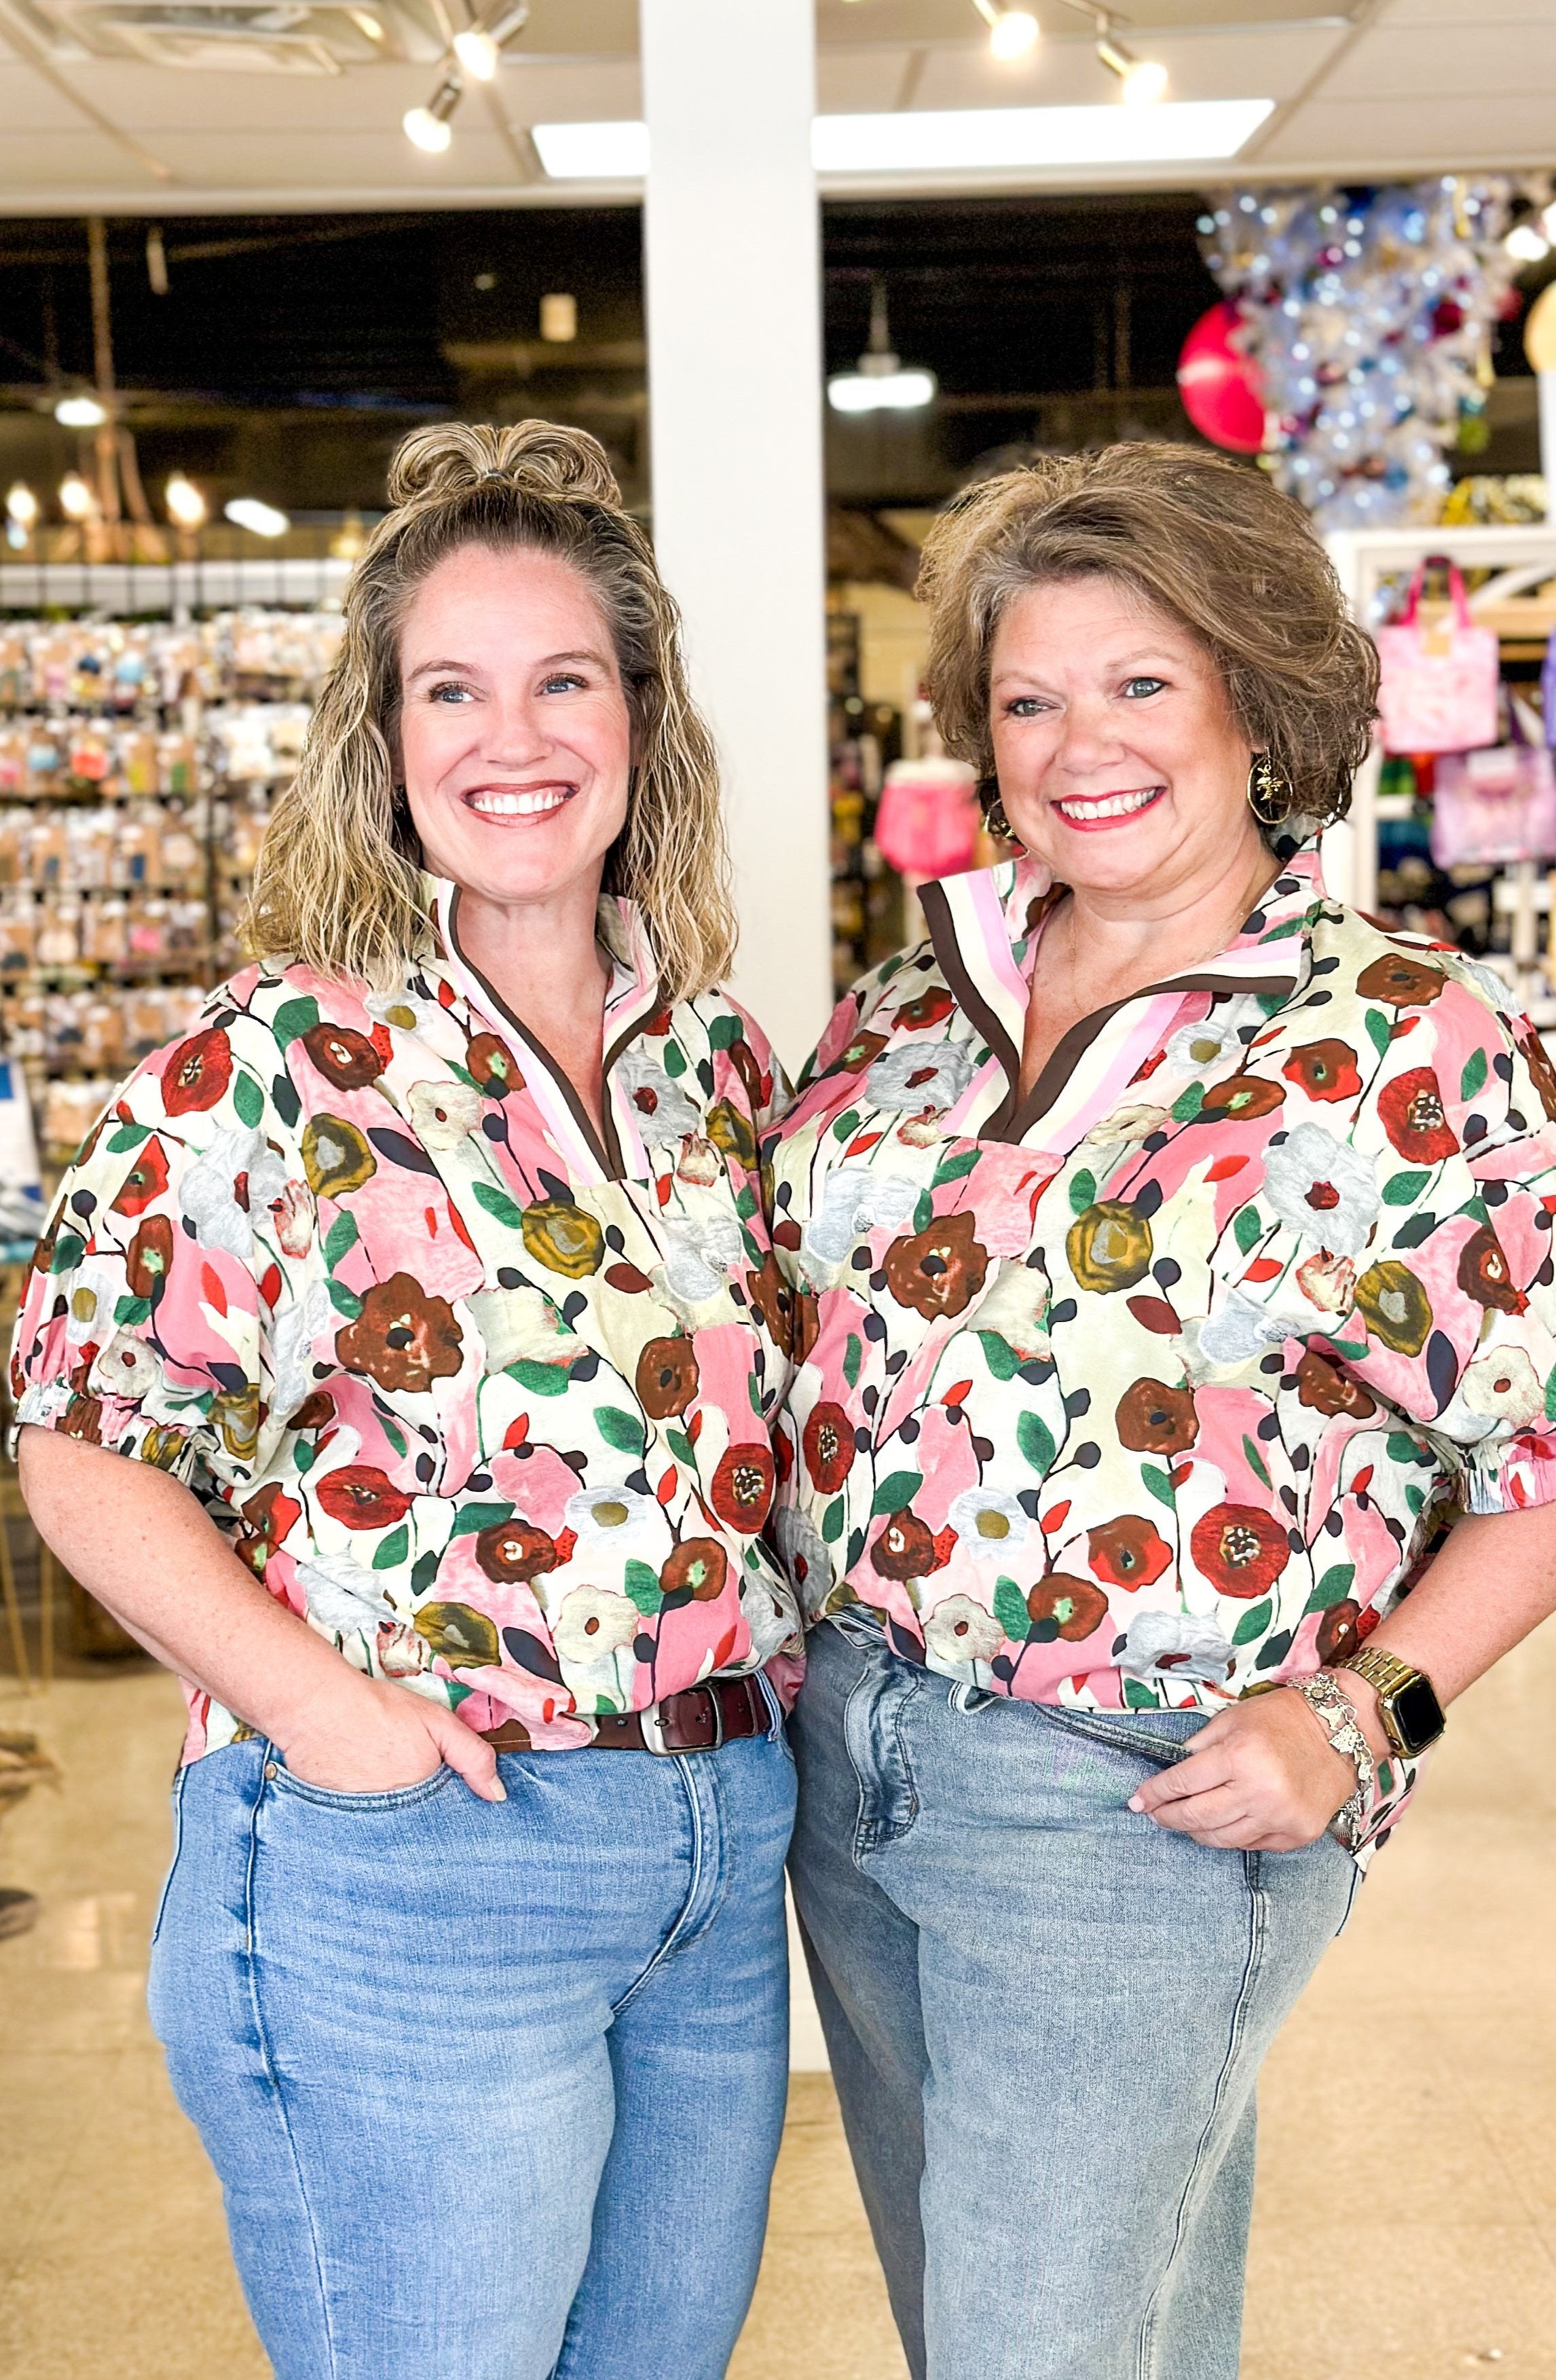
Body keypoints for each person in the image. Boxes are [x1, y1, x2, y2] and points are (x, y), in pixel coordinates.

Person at [766, 443, 1556, 2380]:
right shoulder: (911, 1005)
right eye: (1028, 696)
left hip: (1138, 1800)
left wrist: (1367, 1708)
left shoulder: (1399, 1040)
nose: (1077, 740)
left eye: (1141, 681)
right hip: (856, 1754)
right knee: (1028, 2328)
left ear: (1258, 698)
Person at [12, 420, 803, 2380]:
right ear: (384, 735)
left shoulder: (713, 1057)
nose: (508, 736)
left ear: (640, 723)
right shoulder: (271, 1056)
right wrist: (322, 1716)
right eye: (450, 686)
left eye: (562, 680)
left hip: (712, 1859)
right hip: (412, 1862)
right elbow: (80, 1443)